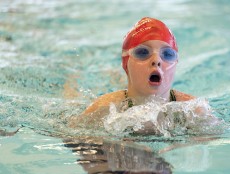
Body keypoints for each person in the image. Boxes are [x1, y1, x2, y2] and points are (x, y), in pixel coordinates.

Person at [80, 17, 218, 132]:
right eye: (143, 52)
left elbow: (212, 139)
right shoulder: (103, 108)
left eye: (168, 54)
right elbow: (75, 142)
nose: (156, 60)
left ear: (175, 63)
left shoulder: (194, 110)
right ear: (126, 64)